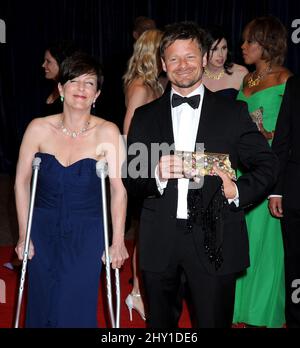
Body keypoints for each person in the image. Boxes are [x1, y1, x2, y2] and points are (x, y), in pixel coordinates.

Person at [124, 21, 278, 328]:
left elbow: (268, 165)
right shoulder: (145, 116)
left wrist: (237, 191)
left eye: (190, 57)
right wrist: (155, 174)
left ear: (204, 59)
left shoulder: (232, 113)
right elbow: (131, 179)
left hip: (216, 239)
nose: (183, 66)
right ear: (162, 63)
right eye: (174, 58)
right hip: (160, 242)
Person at [14, 52, 128, 328]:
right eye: (74, 81)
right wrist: (22, 235)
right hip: (42, 226)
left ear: (97, 94)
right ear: (61, 88)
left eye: (89, 83)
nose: (81, 88)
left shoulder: (108, 132)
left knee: (73, 302)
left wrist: (118, 241)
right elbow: (21, 182)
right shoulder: (38, 129)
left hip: (87, 230)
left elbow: (118, 190)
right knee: (42, 299)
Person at [233, 16, 292, 328]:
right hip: (243, 172)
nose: (243, 46)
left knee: (267, 248)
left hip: (270, 174)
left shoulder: (286, 80)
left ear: (267, 45)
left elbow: (289, 134)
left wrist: (267, 133)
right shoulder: (247, 81)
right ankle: (239, 308)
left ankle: (263, 313)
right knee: (241, 242)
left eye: (249, 41)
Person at [123, 28, 164, 321]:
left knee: (151, 232)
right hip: (144, 166)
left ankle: (143, 289)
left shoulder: (155, 84)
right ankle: (136, 292)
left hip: (158, 162)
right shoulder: (140, 86)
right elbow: (128, 133)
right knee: (146, 232)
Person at [269, 75, 300, 328]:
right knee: (295, 263)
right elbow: (282, 138)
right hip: (295, 190)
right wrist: (275, 190)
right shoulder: (296, 83)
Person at [202, 26, 248, 99]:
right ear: (204, 50)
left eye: (224, 48)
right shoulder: (196, 76)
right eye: (214, 49)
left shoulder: (240, 73)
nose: (220, 54)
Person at [41, 41, 78, 116]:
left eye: (48, 61)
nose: (43, 65)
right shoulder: (47, 87)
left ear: (62, 63)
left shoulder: (73, 93)